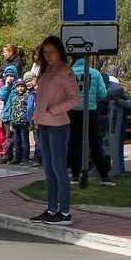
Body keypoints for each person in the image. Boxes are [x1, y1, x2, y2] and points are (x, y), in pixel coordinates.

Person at [31, 36, 81, 225]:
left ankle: (65, 212)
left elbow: (75, 99)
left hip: (58, 125)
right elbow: (41, 97)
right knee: (48, 169)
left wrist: (54, 109)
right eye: (45, 52)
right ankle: (52, 209)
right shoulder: (46, 71)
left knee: (59, 169)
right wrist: (36, 116)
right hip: (43, 124)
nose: (48, 55)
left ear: (60, 51)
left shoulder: (65, 71)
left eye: (51, 51)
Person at [69, 58, 113, 186]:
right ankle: (104, 176)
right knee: (94, 144)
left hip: (73, 111)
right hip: (90, 111)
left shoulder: (68, 73)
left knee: (74, 144)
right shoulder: (95, 73)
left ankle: (75, 176)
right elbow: (102, 94)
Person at [8, 78, 32, 166]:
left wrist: (29, 121)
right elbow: (12, 109)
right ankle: (16, 158)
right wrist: (11, 123)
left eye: (22, 86)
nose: (20, 88)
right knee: (16, 141)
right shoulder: (14, 97)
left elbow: (29, 109)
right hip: (15, 122)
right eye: (18, 87)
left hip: (24, 122)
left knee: (24, 140)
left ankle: (25, 158)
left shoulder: (27, 96)